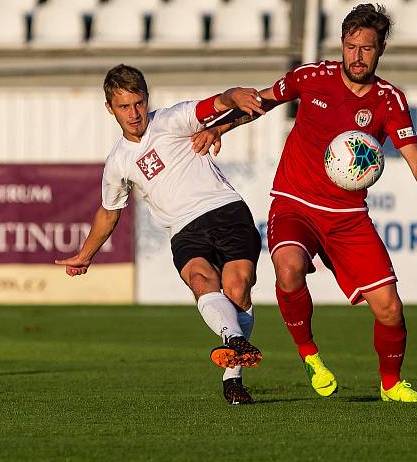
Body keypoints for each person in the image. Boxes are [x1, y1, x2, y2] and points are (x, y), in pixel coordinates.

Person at [194, 4, 417, 403]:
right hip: (295, 204)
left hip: (348, 217)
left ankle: (391, 384)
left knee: (389, 307)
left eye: (366, 49)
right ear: (342, 43)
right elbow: (263, 102)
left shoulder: (389, 100)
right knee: (288, 268)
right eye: (350, 46)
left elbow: (414, 155)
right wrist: (221, 127)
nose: (357, 56)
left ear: (381, 48)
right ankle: (309, 355)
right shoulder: (312, 77)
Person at [55, 64, 264, 405]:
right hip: (182, 229)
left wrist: (232, 95)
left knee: (238, 287)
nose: (133, 113)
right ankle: (235, 344)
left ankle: (233, 373)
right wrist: (86, 254)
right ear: (110, 109)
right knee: (200, 280)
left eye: (138, 103)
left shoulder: (171, 119)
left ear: (147, 99)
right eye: (124, 106)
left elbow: (213, 105)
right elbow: (110, 212)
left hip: (225, 210)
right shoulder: (118, 162)